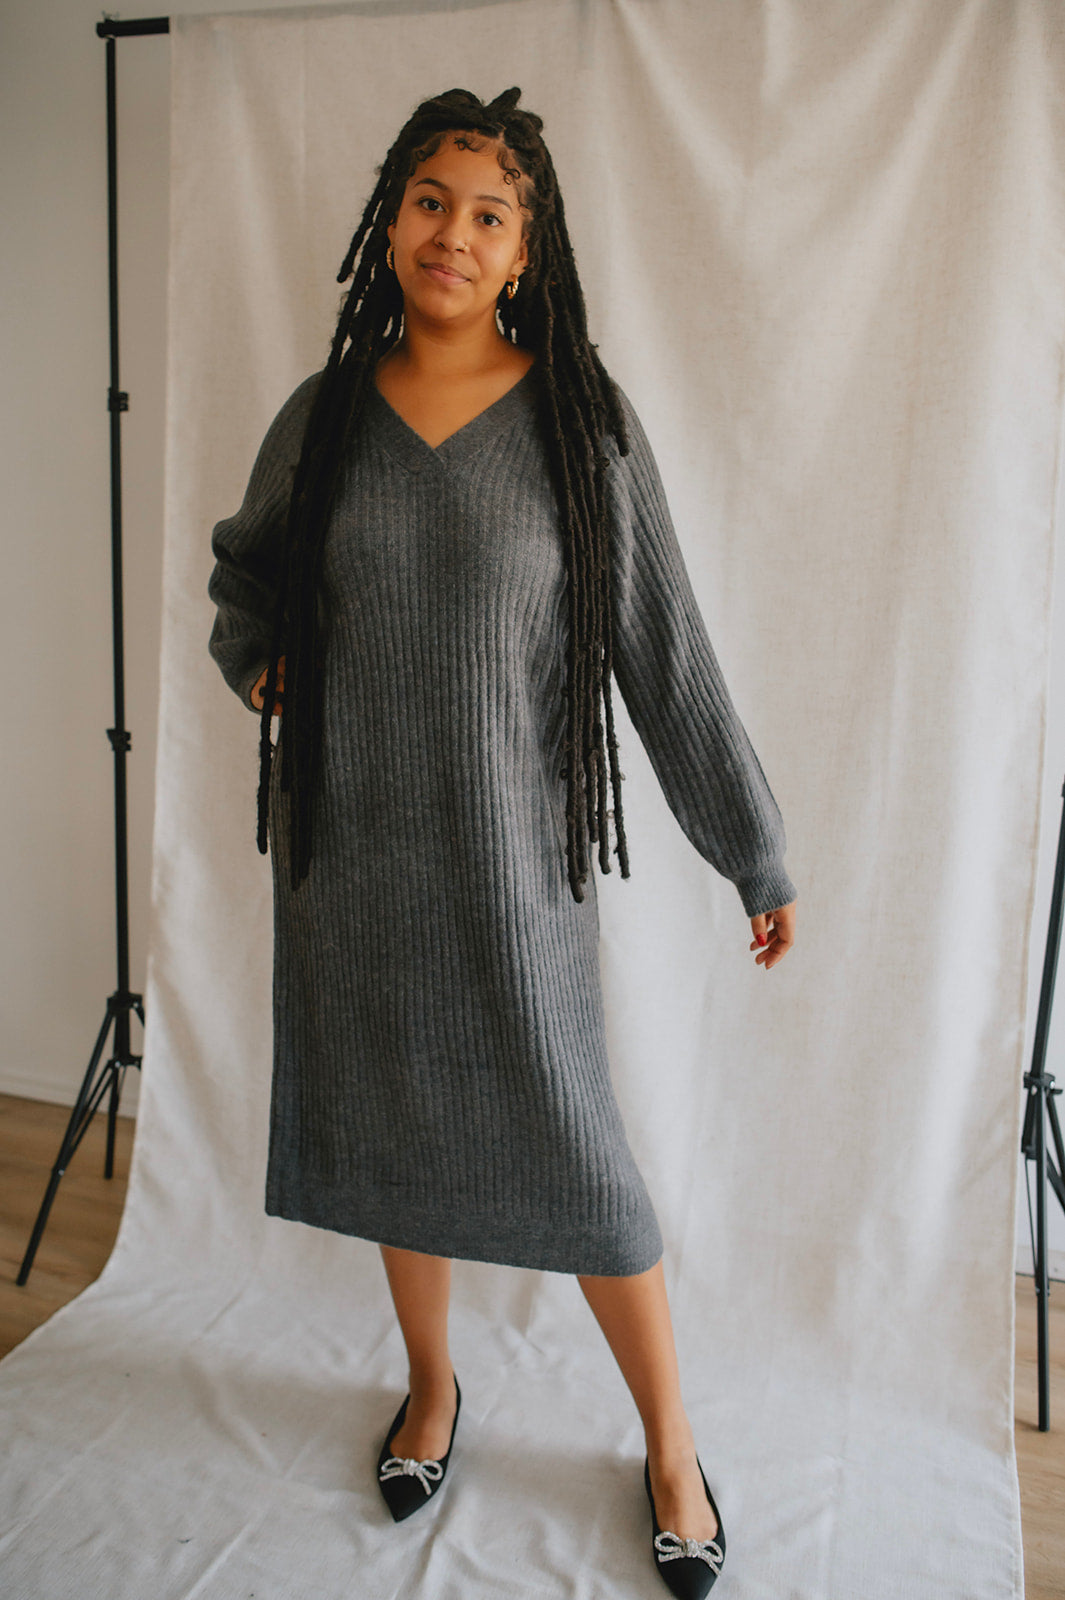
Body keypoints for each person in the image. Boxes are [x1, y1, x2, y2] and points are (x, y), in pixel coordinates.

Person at [207, 85, 796, 1600]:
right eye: (429, 200)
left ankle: (671, 1446)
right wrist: (263, 665)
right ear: (389, 220)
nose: (452, 234)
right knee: (395, 1136)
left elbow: (662, 649)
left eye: (488, 213)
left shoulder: (577, 425)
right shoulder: (323, 418)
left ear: (527, 250)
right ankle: (431, 1388)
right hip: (350, 866)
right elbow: (246, 583)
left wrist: (752, 849)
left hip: (513, 877)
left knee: (587, 1172)